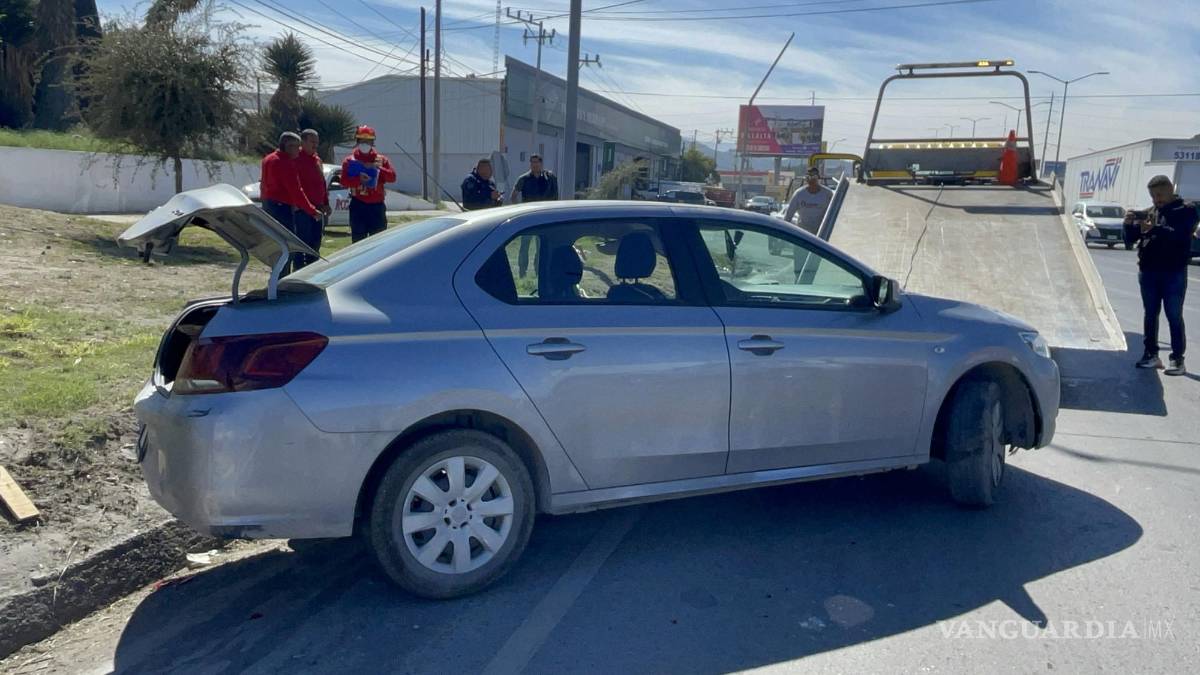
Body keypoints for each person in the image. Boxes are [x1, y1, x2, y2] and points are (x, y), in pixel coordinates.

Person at [1128, 175, 1197, 375]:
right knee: (1150, 315)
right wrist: (1129, 225)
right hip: (1148, 271)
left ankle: (1177, 359)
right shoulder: (1151, 212)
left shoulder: (1186, 209)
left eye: (1159, 194)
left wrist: (1155, 228)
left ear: (1170, 190)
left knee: (1174, 316)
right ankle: (1151, 355)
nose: (1156, 199)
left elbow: (1180, 234)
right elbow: (1130, 241)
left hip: (1173, 272)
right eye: (1152, 195)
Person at [260, 131, 319, 274]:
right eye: (296, 147)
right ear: (288, 146)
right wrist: (312, 210)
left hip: (269, 206)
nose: (299, 151)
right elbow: (296, 190)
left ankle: (277, 279)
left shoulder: (268, 159)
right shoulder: (284, 163)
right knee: (287, 249)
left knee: (277, 248)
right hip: (282, 209)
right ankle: (282, 281)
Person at [340, 125, 396, 242]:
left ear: (372, 142)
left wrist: (378, 170)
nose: (365, 144)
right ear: (357, 141)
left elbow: (392, 177)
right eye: (362, 141)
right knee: (358, 242)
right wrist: (358, 179)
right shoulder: (349, 161)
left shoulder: (381, 160)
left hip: (377, 207)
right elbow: (344, 182)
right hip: (358, 206)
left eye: (368, 141)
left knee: (379, 242)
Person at [509, 154, 559, 276]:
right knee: (524, 246)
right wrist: (518, 210)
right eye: (532, 162)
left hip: (544, 217)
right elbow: (513, 195)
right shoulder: (524, 178)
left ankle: (538, 271)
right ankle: (522, 272)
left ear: (541, 163)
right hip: (528, 217)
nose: (534, 165)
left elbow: (556, 197)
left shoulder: (549, 178)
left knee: (541, 246)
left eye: (536, 162)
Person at [294, 128, 330, 270]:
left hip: (318, 208)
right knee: (301, 245)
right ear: (302, 142)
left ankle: (312, 274)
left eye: (317, 142)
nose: (315, 145)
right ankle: (298, 275)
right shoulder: (296, 158)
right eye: (312, 142)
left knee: (314, 245)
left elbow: (322, 183)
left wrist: (325, 203)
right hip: (302, 209)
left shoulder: (317, 159)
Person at [783, 166, 834, 236]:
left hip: (821, 233)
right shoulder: (799, 194)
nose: (811, 180)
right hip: (803, 233)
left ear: (818, 178)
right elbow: (788, 215)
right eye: (808, 177)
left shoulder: (828, 194)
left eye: (814, 177)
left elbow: (834, 214)